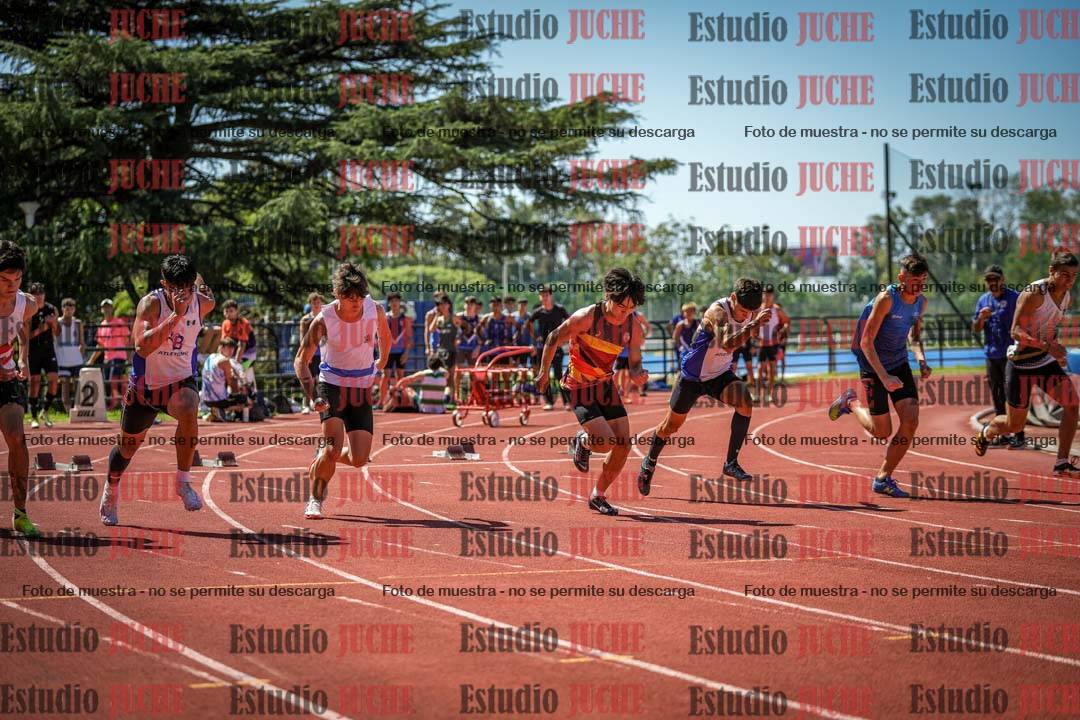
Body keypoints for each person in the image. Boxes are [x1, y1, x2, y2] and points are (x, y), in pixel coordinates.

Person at [98, 256, 216, 526]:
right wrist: (176, 316)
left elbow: (203, 288)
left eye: (188, 287)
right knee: (127, 449)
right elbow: (141, 347)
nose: (183, 294)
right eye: (176, 288)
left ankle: (182, 481)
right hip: (146, 389)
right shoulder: (151, 304)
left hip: (179, 382)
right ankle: (111, 489)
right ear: (164, 284)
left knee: (190, 405)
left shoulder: (203, 302)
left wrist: (195, 286)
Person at [638, 279, 769, 494]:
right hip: (692, 376)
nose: (745, 315)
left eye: (749, 313)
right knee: (670, 426)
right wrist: (753, 324)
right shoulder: (717, 312)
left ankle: (730, 462)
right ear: (733, 298)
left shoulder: (750, 312)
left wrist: (755, 323)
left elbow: (745, 334)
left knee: (745, 402)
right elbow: (727, 343)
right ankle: (649, 462)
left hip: (718, 374)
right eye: (742, 311)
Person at [535, 268, 648, 516]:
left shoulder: (633, 325)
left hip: (604, 385)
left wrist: (637, 372)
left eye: (631, 308)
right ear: (609, 296)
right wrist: (543, 372)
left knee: (623, 444)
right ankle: (583, 441)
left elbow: (635, 360)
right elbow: (553, 338)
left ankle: (598, 495)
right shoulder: (586, 317)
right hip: (579, 386)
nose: (625, 313)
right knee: (605, 443)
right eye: (622, 307)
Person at [827, 254, 933, 498]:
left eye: (923, 280)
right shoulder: (887, 299)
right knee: (881, 432)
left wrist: (921, 359)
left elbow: (914, 336)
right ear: (902, 278)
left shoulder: (921, 303)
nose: (919, 286)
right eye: (914, 281)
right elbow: (866, 341)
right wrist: (884, 377)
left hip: (898, 363)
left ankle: (883, 478)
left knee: (911, 421)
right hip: (872, 363)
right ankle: (850, 403)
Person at [294, 263, 390, 520]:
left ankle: (324, 456)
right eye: (350, 297)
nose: (357, 302)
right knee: (333, 449)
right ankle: (315, 500)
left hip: (361, 387)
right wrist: (314, 395)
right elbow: (301, 360)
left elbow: (385, 336)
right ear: (338, 295)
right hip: (332, 384)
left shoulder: (375, 309)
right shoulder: (324, 319)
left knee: (359, 459)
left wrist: (381, 361)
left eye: (360, 296)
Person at [975, 250, 1080, 475]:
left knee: (1072, 405)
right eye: (1064, 275)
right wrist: (1048, 346)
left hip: (1044, 362)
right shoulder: (1034, 293)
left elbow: (1048, 328)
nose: (1069, 280)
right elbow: (1015, 331)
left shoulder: (1067, 296)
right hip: (1020, 364)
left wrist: (1056, 348)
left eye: (1073, 276)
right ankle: (987, 432)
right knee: (1015, 425)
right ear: (1051, 271)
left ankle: (1061, 462)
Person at [0, 242, 40, 536]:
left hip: (7, 377)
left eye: (17, 279)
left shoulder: (28, 304)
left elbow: (23, 330)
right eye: (4, 280)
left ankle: (20, 513)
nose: (11, 286)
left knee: (16, 436)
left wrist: (23, 358)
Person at [972, 265, 1022, 448]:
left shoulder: (1014, 297)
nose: (992, 282)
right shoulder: (983, 300)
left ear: (1003, 279)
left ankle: (1019, 434)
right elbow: (975, 329)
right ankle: (1004, 434)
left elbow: (1026, 319)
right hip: (992, 355)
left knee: (1013, 394)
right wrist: (981, 318)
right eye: (989, 280)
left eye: (995, 279)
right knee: (998, 394)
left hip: (1012, 354)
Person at [529, 285, 570, 411]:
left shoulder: (559, 310)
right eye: (542, 295)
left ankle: (567, 402)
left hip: (557, 347)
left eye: (547, 295)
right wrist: (535, 338)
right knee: (544, 374)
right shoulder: (538, 312)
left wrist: (565, 339)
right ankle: (549, 402)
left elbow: (570, 322)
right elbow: (529, 323)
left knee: (559, 374)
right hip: (542, 348)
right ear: (539, 297)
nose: (545, 297)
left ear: (551, 296)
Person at [26, 282, 60, 429]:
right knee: (35, 383)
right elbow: (26, 336)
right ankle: (33, 417)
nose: (39, 296)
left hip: (49, 350)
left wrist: (54, 323)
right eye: (36, 294)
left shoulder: (51, 309)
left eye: (41, 293)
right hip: (33, 351)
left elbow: (57, 333)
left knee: (54, 381)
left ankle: (44, 411)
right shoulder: (28, 310)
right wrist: (44, 326)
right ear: (31, 295)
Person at [88, 299, 130, 410]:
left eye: (108, 306)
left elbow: (127, 340)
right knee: (108, 382)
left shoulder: (120, 322)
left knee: (113, 380)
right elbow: (100, 346)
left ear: (112, 309)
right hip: (107, 358)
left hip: (119, 357)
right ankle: (121, 402)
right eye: (104, 307)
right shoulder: (102, 325)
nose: (106, 309)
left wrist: (129, 358)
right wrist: (91, 360)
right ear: (102, 310)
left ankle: (118, 403)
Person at [201, 337, 251, 422]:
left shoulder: (210, 357)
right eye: (229, 348)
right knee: (246, 401)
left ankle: (214, 411)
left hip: (205, 400)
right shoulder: (225, 361)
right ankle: (223, 410)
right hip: (218, 400)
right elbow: (232, 382)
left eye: (232, 348)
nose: (231, 351)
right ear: (221, 348)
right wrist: (241, 384)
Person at [755, 285, 790, 404]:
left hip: (773, 344)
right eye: (765, 294)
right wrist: (754, 334)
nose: (767, 296)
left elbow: (786, 321)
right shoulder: (758, 310)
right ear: (762, 295)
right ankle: (757, 394)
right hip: (761, 344)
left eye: (769, 294)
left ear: (773, 296)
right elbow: (751, 324)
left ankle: (769, 394)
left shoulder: (777, 310)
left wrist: (783, 330)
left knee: (771, 370)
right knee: (760, 369)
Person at [379, 292, 412, 409]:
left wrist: (406, 352)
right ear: (389, 303)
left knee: (400, 376)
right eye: (392, 301)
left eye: (396, 301)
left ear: (400, 303)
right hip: (387, 351)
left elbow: (409, 337)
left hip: (401, 352)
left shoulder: (405, 319)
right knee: (385, 375)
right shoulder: (385, 317)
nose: (394, 303)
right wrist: (382, 352)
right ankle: (381, 402)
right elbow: (380, 336)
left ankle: (401, 401)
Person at [384, 355, 448, 414]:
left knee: (410, 390)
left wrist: (397, 387)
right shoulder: (445, 374)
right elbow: (443, 370)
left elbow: (406, 380)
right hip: (440, 409)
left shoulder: (423, 374)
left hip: (424, 408)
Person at [614, 310, 651, 403]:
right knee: (618, 372)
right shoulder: (618, 314)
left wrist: (642, 336)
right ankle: (613, 393)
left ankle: (624, 395)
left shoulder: (638, 315)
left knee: (629, 374)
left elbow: (648, 327)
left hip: (632, 350)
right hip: (621, 350)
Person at [55, 298, 85, 411]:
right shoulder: (57, 322)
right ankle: (68, 411)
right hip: (62, 359)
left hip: (76, 359)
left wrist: (81, 354)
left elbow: (82, 342)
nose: (69, 311)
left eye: (71, 309)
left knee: (78, 385)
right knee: (65, 386)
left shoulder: (78, 323)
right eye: (67, 309)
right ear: (62, 309)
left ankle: (78, 409)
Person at [221, 299, 257, 392]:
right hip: (235, 354)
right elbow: (224, 343)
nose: (228, 314)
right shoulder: (225, 324)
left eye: (231, 311)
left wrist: (236, 364)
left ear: (236, 311)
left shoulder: (242, 323)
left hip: (249, 355)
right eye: (226, 311)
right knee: (230, 372)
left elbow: (242, 345)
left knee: (245, 376)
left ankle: (251, 393)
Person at [298, 293, 325, 414]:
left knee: (322, 380)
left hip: (324, 353)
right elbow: (302, 338)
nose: (316, 305)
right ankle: (306, 404)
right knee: (309, 379)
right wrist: (305, 355)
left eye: (318, 302)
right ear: (310, 304)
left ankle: (321, 403)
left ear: (322, 303)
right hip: (311, 353)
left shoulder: (325, 317)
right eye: (314, 302)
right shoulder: (305, 319)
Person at [672, 302, 699, 367]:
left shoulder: (697, 323)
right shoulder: (680, 324)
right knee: (683, 367)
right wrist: (679, 347)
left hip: (694, 350)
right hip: (684, 350)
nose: (688, 313)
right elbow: (675, 337)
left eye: (690, 311)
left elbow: (699, 336)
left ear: (694, 312)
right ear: (683, 313)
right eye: (686, 311)